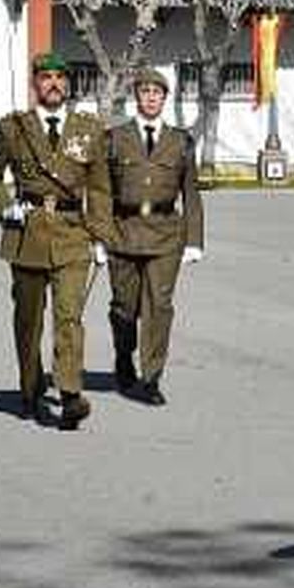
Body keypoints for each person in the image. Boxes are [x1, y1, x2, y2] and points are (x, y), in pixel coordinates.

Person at [0, 52, 116, 430]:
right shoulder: (14, 128)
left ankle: (70, 394)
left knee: (69, 316)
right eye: (46, 77)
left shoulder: (89, 129)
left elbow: (101, 189)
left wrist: (102, 237)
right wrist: (7, 208)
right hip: (28, 235)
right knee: (28, 321)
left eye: (60, 77)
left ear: (67, 85)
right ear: (35, 84)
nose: (53, 84)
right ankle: (30, 390)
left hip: (73, 233)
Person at [105, 66, 205, 406]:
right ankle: (123, 357)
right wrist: (98, 238)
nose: (151, 98)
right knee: (124, 307)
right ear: (137, 97)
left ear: (165, 98)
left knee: (159, 307)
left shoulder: (180, 141)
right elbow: (102, 192)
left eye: (157, 93)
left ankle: (151, 378)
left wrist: (194, 240)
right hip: (123, 233)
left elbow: (191, 193)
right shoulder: (115, 139)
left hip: (165, 236)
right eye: (145, 92)